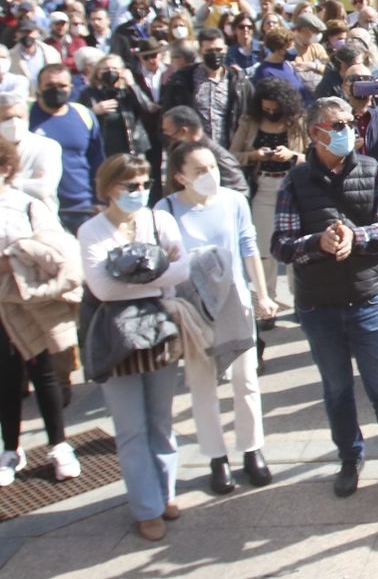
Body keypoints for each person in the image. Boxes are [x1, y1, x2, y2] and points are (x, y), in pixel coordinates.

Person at [270, 96, 378, 513]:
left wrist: (354, 237)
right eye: (338, 124)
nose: (349, 130)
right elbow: (282, 245)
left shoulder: (371, 170)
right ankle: (349, 457)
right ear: (316, 134)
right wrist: (317, 242)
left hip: (367, 299)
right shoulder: (295, 181)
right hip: (318, 306)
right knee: (338, 389)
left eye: (350, 122)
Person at [77, 155, 190, 541]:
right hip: (114, 335)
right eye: (131, 186)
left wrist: (134, 275)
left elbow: (182, 270)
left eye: (144, 184)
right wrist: (156, 277)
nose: (140, 192)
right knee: (130, 427)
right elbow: (103, 289)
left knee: (160, 419)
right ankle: (146, 508)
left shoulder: (160, 220)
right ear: (110, 188)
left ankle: (166, 491)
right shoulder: (91, 230)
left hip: (158, 328)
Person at [160, 142, 274, 494]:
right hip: (192, 305)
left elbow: (248, 246)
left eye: (212, 167)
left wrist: (264, 294)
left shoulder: (233, 201)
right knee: (202, 383)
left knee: (246, 380)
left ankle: (252, 448)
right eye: (199, 170)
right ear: (180, 176)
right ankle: (216, 456)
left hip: (234, 300)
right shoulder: (164, 210)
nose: (209, 175)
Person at [0, 137, 79, 487]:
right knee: (5, 377)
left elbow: (52, 247)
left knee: (44, 372)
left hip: (28, 302)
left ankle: (59, 445)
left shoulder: (26, 204)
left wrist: (14, 257)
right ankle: (10, 449)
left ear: (6, 168)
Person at [229, 77, 306, 311]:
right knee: (263, 249)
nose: (271, 112)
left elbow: (312, 154)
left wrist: (291, 155)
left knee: (296, 246)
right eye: (266, 108)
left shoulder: (297, 121)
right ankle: (267, 300)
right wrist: (255, 155)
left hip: (292, 188)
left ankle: (300, 300)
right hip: (262, 187)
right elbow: (231, 155)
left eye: (275, 108)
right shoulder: (249, 121)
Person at [30, 64, 103, 233]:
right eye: (49, 85)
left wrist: (101, 200)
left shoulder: (84, 115)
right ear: (39, 88)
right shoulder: (25, 117)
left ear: (71, 87)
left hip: (82, 208)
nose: (56, 90)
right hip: (38, 206)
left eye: (62, 86)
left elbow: (97, 160)